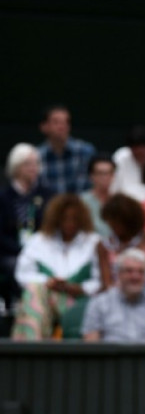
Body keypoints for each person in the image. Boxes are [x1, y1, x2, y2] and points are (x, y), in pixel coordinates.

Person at [11, 194, 105, 340]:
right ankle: (31, 345)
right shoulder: (39, 240)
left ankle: (28, 345)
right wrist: (48, 282)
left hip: (80, 301)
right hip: (46, 299)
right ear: (56, 219)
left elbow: (101, 281)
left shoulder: (93, 242)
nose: (69, 223)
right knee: (34, 289)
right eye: (64, 218)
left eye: (74, 219)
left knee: (34, 293)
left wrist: (77, 288)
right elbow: (22, 274)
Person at [1, 143, 54, 312]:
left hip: (42, 251)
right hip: (11, 252)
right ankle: (18, 305)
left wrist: (35, 249)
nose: (33, 168)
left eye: (36, 164)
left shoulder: (47, 195)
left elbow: (50, 227)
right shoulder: (3, 197)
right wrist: (22, 250)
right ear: (16, 167)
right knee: (15, 265)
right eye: (28, 164)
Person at [81, 248, 145, 343]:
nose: (135, 277)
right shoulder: (99, 303)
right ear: (118, 274)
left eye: (141, 272)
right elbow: (91, 345)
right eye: (129, 271)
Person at [36, 105, 96, 194]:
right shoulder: (36, 156)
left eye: (66, 122)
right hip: (48, 207)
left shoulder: (85, 152)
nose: (62, 127)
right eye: (56, 122)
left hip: (80, 206)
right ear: (44, 127)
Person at [111, 125, 145, 202]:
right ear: (130, 149)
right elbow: (113, 190)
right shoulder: (121, 157)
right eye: (137, 154)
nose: (141, 157)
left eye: (144, 154)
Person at [80, 154, 115, 238]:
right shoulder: (82, 202)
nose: (105, 177)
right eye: (100, 173)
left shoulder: (121, 201)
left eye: (108, 173)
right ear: (92, 176)